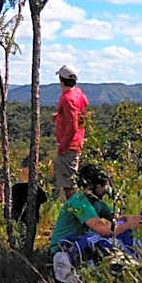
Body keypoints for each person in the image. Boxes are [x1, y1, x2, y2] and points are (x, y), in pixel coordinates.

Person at [48, 164, 142, 283]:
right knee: (104, 237)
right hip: (66, 248)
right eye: (102, 185)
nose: (105, 188)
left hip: (84, 242)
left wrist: (136, 219)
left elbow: (117, 218)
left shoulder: (96, 202)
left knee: (122, 229)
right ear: (90, 186)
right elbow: (103, 230)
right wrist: (129, 224)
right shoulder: (78, 202)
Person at [52, 64, 89, 199]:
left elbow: (73, 126)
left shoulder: (68, 99)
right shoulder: (78, 93)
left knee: (69, 185)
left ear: (61, 80)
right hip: (77, 142)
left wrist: (63, 147)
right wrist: (60, 115)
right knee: (70, 182)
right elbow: (83, 109)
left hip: (69, 146)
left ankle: (75, 214)